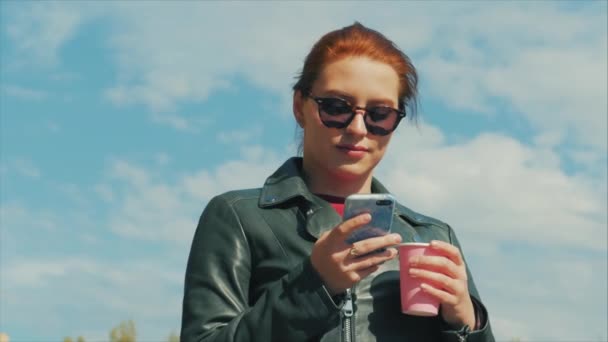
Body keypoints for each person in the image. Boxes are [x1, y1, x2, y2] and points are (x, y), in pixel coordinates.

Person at [181, 22, 495, 342]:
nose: (358, 127)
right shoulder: (240, 217)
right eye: (336, 107)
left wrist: (466, 323)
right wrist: (312, 286)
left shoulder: (433, 236)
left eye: (379, 113)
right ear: (299, 106)